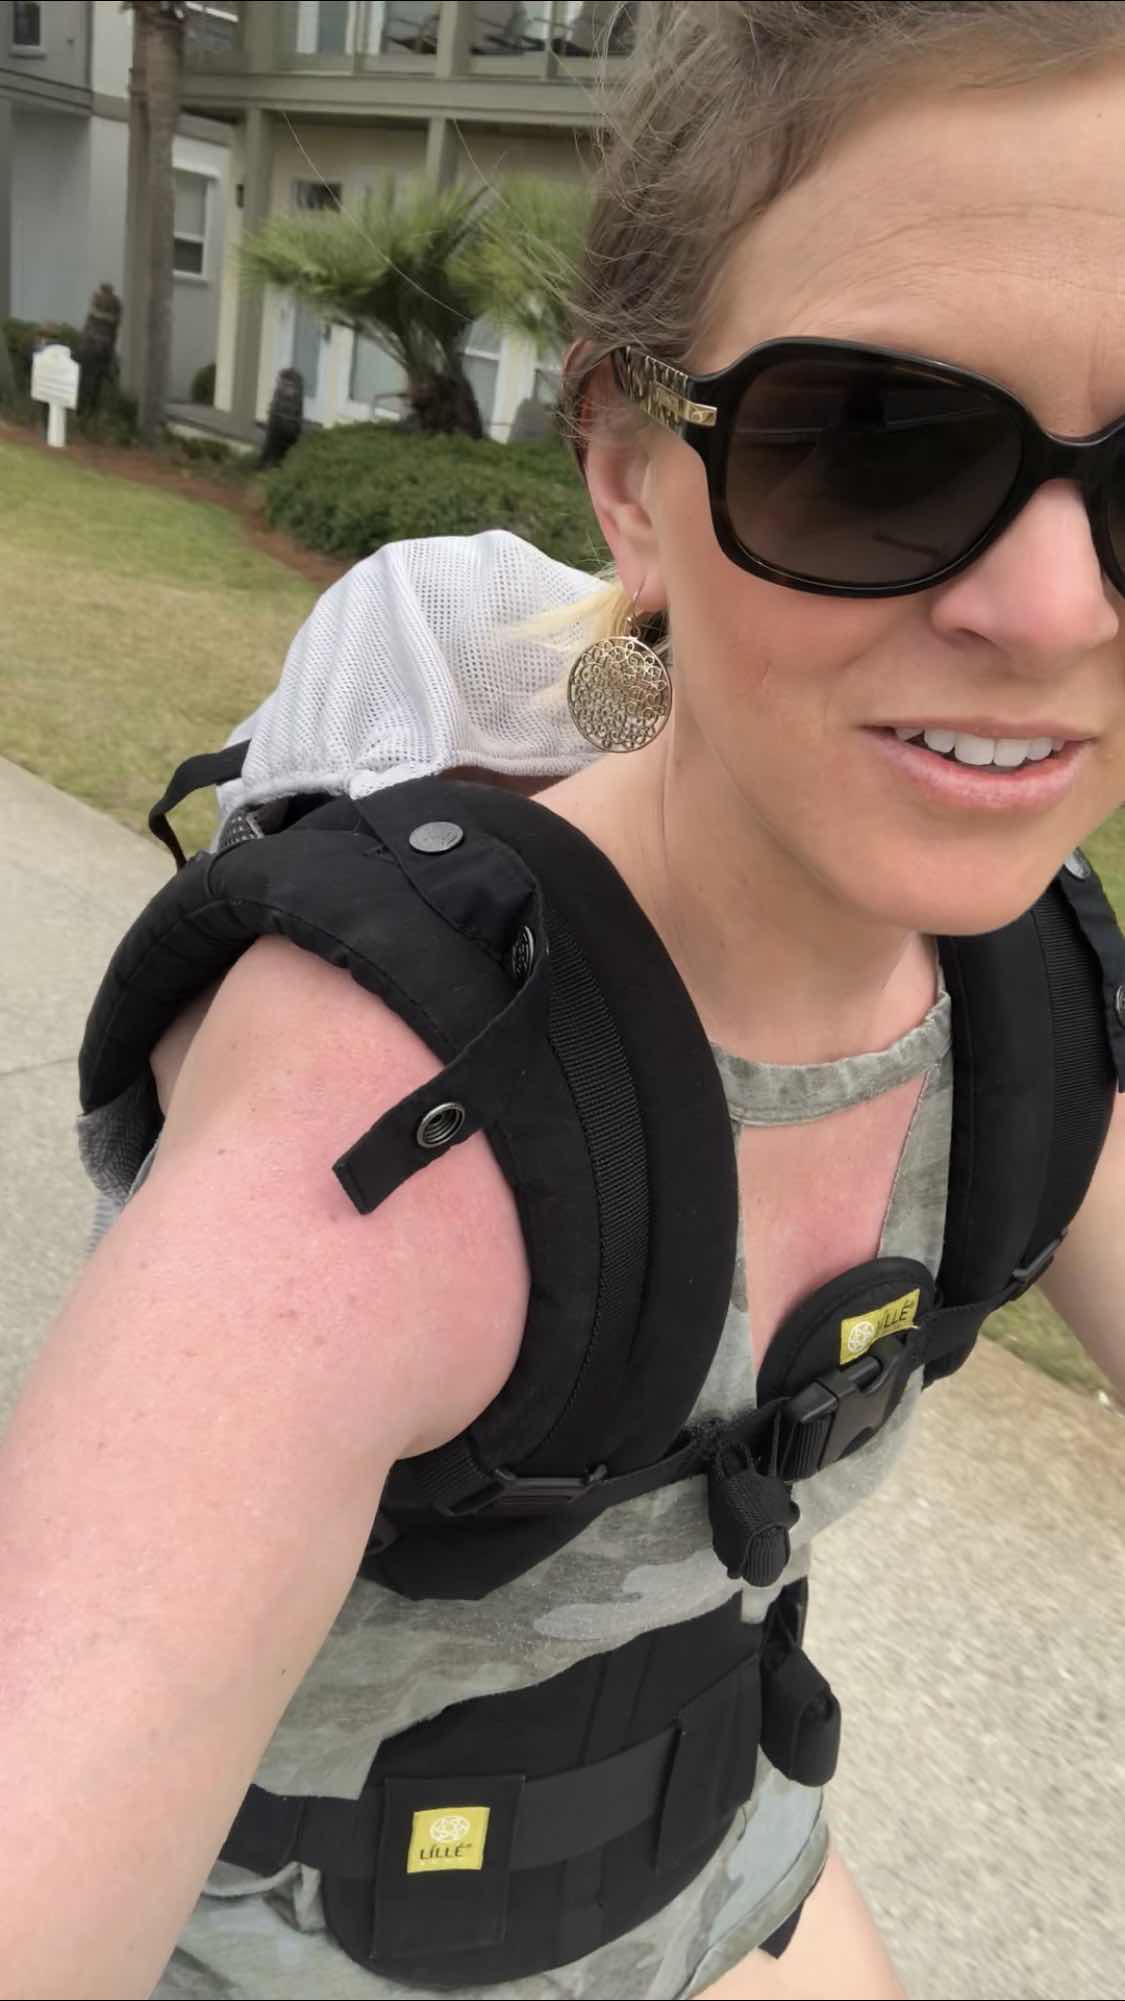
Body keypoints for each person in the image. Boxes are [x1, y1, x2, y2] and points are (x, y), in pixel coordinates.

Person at [4, 4, 1125, 1996]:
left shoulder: (1028, 996)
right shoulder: (380, 1142)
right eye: (878, 441)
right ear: (625, 469)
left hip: (714, 1840)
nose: (1049, 610)